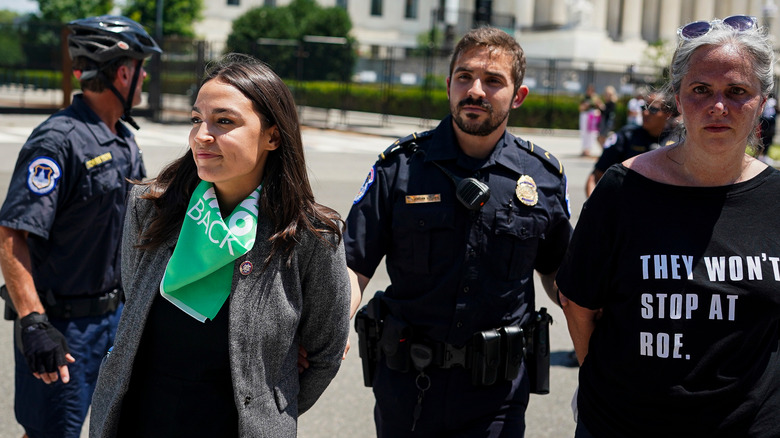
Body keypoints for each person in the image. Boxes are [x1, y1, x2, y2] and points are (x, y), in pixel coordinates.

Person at [89, 53, 350, 437]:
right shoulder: (151, 208)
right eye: (197, 120)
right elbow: (134, 298)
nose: (202, 136)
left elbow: (325, 354)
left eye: (224, 121)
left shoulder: (312, 236)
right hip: (140, 419)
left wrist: (269, 407)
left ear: (272, 136)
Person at [557, 15, 780, 437]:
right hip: (624, 425)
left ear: (761, 101)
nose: (718, 106)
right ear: (678, 99)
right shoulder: (622, 190)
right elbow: (579, 303)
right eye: (701, 90)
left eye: (737, 91)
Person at [346, 27, 573, 437]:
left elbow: (562, 277)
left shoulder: (542, 177)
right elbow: (353, 266)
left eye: (493, 81)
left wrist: (604, 336)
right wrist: (327, 328)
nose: (476, 91)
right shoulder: (399, 168)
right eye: (465, 77)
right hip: (407, 385)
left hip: (497, 394)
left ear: (517, 96)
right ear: (449, 85)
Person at [0, 15, 160, 438]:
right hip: (63, 328)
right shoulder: (57, 141)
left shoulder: (122, 138)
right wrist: (33, 322)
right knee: (51, 432)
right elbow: (12, 234)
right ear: (123, 73)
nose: (144, 79)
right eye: (142, 69)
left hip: (116, 318)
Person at [585, 92, 674, 196]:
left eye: (653, 110)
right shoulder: (626, 136)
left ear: (668, 113)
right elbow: (596, 175)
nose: (645, 113)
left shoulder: (679, 140)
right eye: (643, 108)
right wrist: (594, 208)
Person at [579, 84, 601, 156]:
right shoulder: (584, 97)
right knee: (584, 132)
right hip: (585, 116)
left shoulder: (595, 97)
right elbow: (580, 108)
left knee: (592, 133)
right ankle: (584, 149)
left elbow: (601, 106)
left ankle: (588, 149)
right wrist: (585, 105)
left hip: (593, 117)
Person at [759, 93, 777, 162]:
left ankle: (764, 156)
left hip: (769, 126)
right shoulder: (769, 104)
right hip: (766, 126)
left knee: (767, 141)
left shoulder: (772, 105)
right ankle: (762, 156)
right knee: (764, 141)